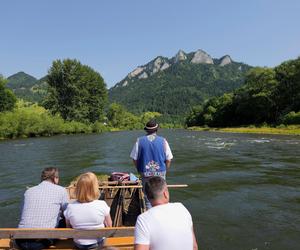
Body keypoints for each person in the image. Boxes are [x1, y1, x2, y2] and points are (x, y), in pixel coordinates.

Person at [134, 176, 198, 250]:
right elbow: (194, 247)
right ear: (165, 194)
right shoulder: (182, 208)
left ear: (147, 197)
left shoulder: (143, 219)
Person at [17, 167, 69, 250]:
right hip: (40, 243)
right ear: (55, 179)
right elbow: (67, 213)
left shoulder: (29, 191)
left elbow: (23, 212)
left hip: (20, 241)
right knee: (64, 219)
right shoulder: (61, 190)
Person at [130, 119, 173, 208]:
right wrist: (165, 170)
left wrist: (139, 170)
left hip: (145, 173)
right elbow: (169, 159)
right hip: (160, 173)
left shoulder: (139, 141)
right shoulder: (163, 141)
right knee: (162, 197)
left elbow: (134, 159)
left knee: (148, 198)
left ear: (146, 130)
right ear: (156, 129)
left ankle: (150, 214)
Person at [64, 172, 112, 250]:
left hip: (79, 244)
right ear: (95, 188)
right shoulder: (102, 204)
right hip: (98, 243)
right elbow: (109, 226)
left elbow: (68, 227)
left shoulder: (70, 207)